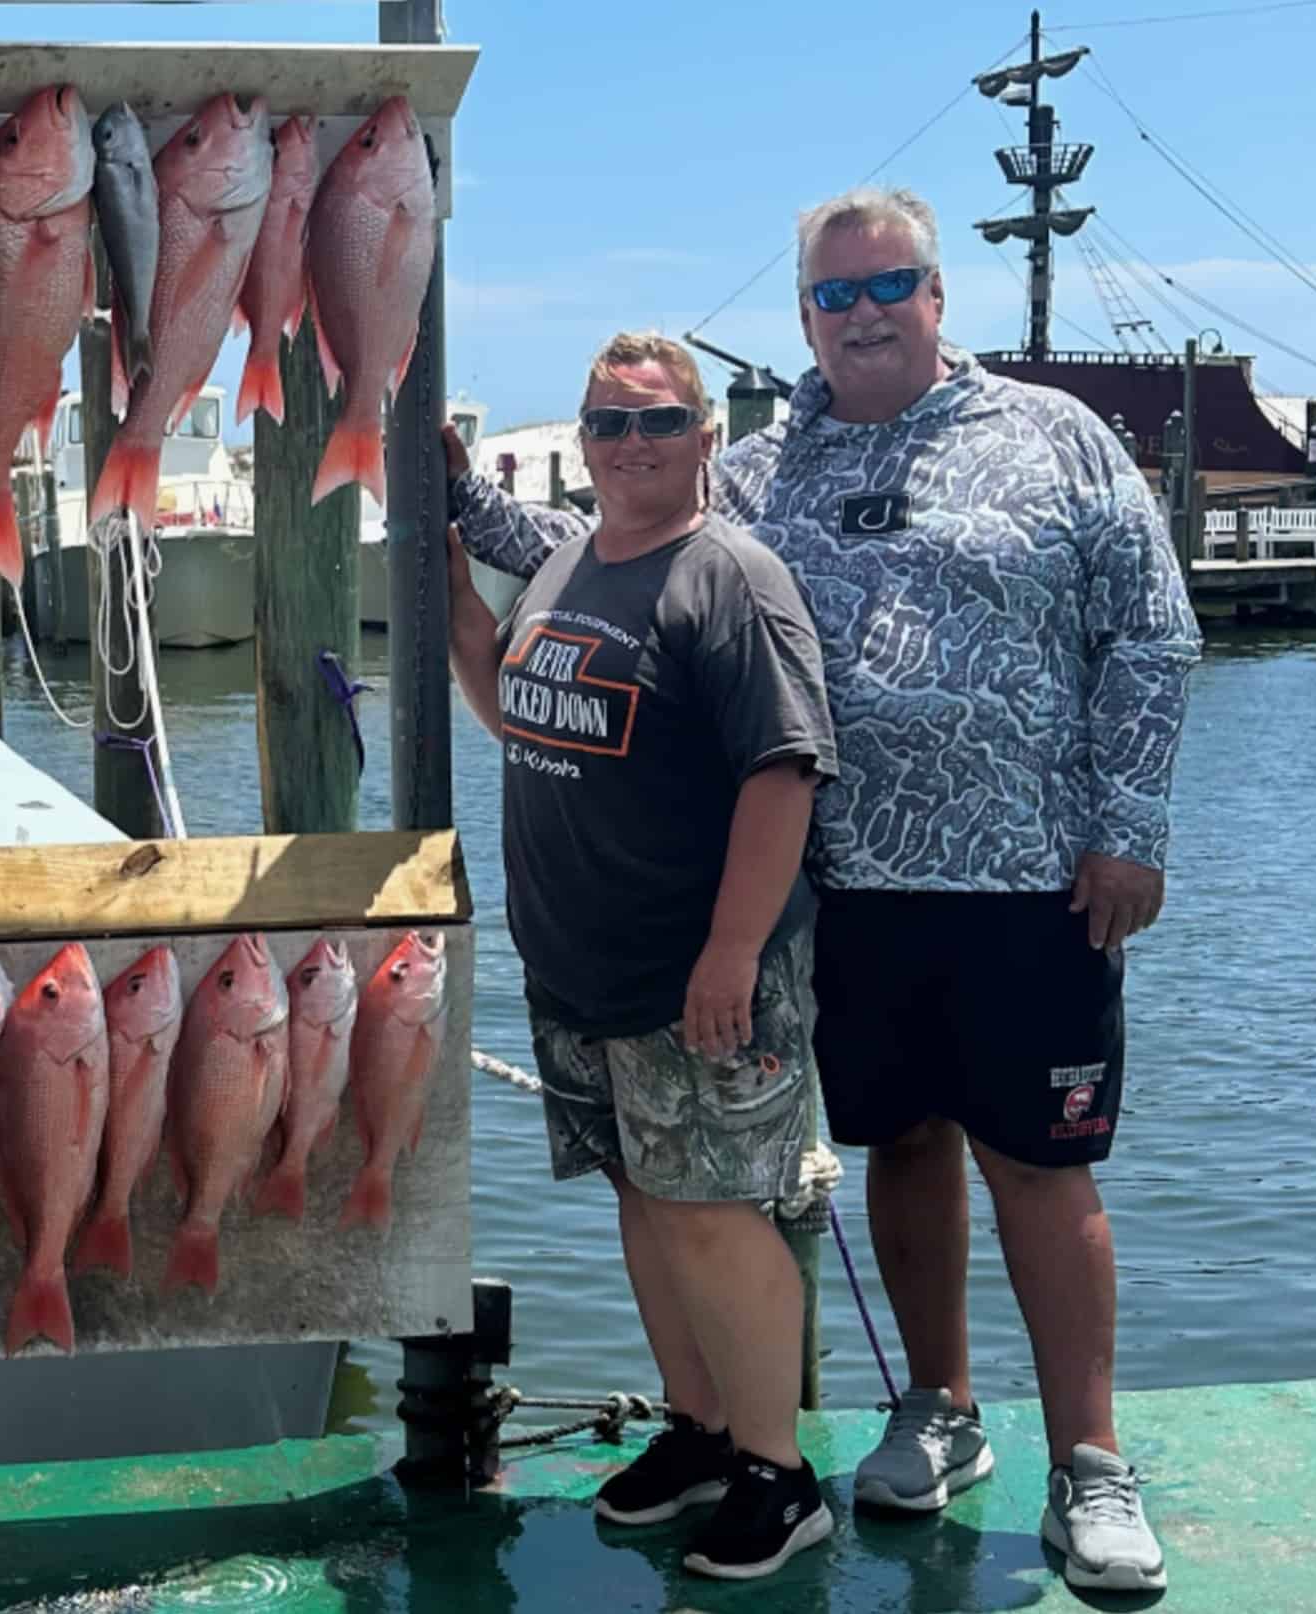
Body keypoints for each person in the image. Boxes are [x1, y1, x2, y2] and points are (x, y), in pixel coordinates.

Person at [446, 187, 1200, 1594]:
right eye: (833, 295)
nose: (860, 313)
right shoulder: (763, 462)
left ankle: (1090, 1458)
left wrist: (1131, 824)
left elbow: (1150, 635)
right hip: (844, 884)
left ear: (935, 292)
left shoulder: (1056, 435)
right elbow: (615, 523)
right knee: (900, 1145)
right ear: (802, 315)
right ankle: (938, 1404)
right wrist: (456, 499)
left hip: (1029, 875)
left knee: (1041, 1163)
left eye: (886, 285)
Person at [446, 330, 840, 1582]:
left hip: (698, 975)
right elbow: (514, 704)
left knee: (717, 1211)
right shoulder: (567, 562)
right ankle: (703, 1433)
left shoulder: (730, 577)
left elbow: (785, 774)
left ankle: (781, 1475)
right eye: (607, 423)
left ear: (705, 437)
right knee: (648, 1201)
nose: (629, 446)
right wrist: (455, 590)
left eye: (657, 423)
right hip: (579, 970)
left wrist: (731, 953)